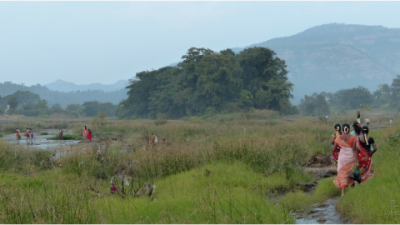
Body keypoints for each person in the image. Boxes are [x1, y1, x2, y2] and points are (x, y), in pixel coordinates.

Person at [332, 124, 358, 196]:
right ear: (349, 129)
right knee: (350, 172)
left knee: (342, 174)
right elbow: (354, 149)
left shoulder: (340, 137)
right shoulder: (353, 137)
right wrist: (357, 160)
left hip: (342, 158)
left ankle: (343, 193)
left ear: (342, 130)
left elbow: (334, 149)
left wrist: (341, 151)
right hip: (351, 157)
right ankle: (353, 190)